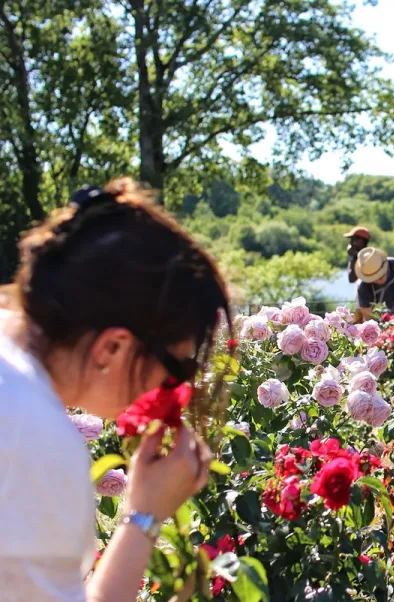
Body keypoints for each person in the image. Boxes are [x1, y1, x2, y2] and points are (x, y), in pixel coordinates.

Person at [0, 178, 230, 601]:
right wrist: (145, 514)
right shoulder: (34, 438)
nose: (174, 387)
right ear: (113, 346)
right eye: (176, 367)